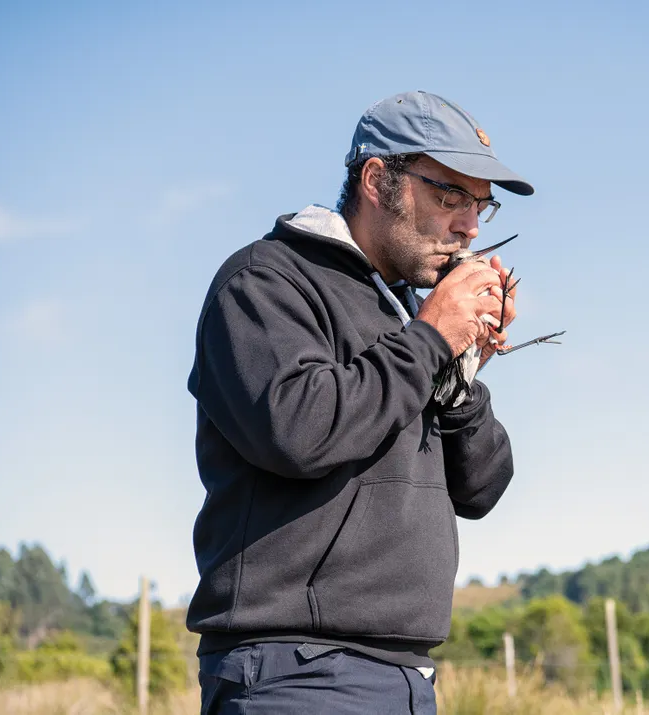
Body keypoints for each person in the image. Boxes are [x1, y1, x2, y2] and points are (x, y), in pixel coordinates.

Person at [186, 90, 535, 714]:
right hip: (294, 671)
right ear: (379, 180)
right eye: (449, 196)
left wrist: (458, 373)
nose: (470, 226)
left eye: (482, 206)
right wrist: (428, 338)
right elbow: (298, 431)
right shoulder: (265, 282)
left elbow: (483, 488)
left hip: (407, 677)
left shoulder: (406, 316)